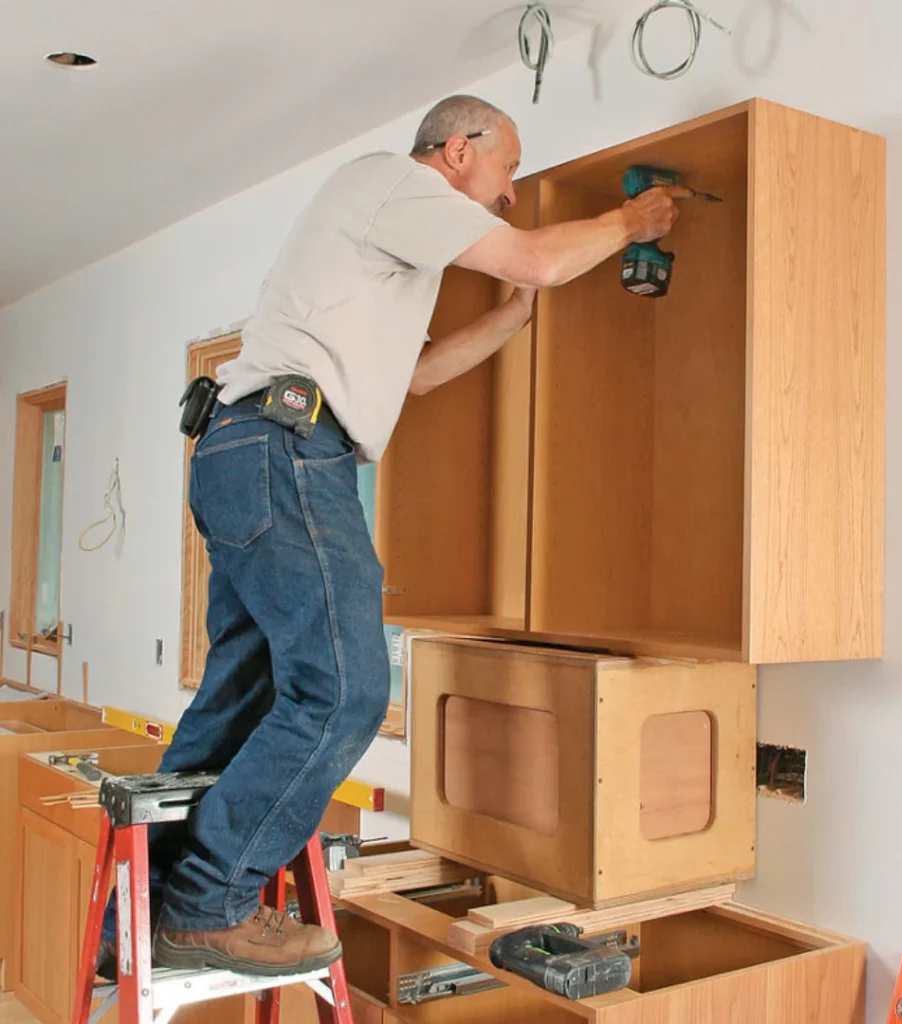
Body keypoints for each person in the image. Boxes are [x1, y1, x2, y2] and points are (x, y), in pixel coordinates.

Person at [98, 94, 685, 978]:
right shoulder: (390, 183)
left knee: (245, 698)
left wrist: (512, 319)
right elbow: (534, 254)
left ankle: (138, 910)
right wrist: (630, 220)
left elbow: (414, 378)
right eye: (509, 168)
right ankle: (207, 906)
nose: (513, 192)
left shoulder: (385, 251)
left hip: (254, 451)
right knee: (345, 691)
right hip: (288, 451)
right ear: (455, 151)